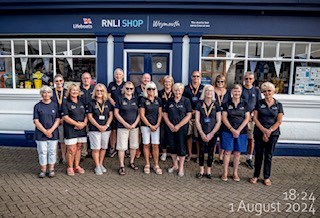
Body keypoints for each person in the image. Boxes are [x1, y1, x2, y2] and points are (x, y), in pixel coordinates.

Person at [250, 82, 284, 186]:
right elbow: (255, 118)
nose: (267, 93)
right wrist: (264, 130)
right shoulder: (258, 103)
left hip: (273, 134)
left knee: (268, 155)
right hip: (259, 132)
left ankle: (266, 177)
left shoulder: (278, 105)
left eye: (269, 90)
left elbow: (279, 121)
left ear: (273, 91)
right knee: (259, 155)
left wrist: (269, 131)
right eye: (264, 91)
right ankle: (255, 175)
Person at [221, 84, 250, 182]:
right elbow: (224, 117)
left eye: (238, 91)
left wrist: (238, 130)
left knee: (237, 153)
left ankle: (235, 173)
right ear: (231, 92)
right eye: (235, 91)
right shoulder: (226, 103)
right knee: (227, 152)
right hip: (227, 131)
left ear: (241, 92)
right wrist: (232, 129)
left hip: (241, 132)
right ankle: (225, 173)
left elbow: (247, 118)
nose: (236, 93)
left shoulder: (245, 104)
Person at [163, 83, 192, 177]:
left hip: (182, 128)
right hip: (170, 128)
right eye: (175, 90)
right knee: (172, 147)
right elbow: (165, 114)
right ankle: (175, 165)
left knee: (181, 147)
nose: (177, 92)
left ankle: (181, 168)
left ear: (182, 91)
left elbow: (189, 115)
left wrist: (178, 125)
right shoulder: (169, 101)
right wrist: (170, 125)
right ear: (172, 90)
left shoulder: (186, 101)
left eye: (179, 90)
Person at [33, 86, 60, 178]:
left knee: (52, 151)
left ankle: (51, 169)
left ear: (51, 94)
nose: (46, 94)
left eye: (48, 92)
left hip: (53, 133)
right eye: (44, 92)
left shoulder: (55, 105)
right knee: (42, 151)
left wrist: (51, 130)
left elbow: (57, 119)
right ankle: (43, 169)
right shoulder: (37, 106)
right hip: (41, 134)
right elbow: (36, 121)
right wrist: (45, 131)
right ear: (41, 94)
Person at [195, 85, 221, 179]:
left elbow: (219, 121)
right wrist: (201, 133)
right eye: (207, 90)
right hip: (202, 132)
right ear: (204, 92)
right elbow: (197, 120)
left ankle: (209, 171)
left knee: (211, 152)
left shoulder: (216, 105)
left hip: (212, 132)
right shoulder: (199, 104)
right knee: (201, 151)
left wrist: (212, 133)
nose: (209, 92)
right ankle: (201, 170)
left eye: (211, 91)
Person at [114, 81, 140, 175]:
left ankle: (131, 162)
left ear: (133, 90)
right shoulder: (119, 98)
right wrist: (125, 123)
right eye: (127, 88)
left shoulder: (136, 99)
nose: (129, 90)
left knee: (133, 146)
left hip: (134, 126)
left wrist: (135, 124)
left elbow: (139, 114)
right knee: (122, 147)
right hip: (122, 126)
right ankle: (121, 166)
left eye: (131, 88)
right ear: (124, 89)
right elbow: (116, 113)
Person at [61, 83, 88, 176]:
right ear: (69, 91)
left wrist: (84, 124)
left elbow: (86, 115)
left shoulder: (81, 101)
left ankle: (77, 166)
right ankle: (70, 167)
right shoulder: (66, 102)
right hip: (70, 129)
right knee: (71, 149)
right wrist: (76, 124)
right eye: (73, 90)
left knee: (79, 147)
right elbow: (65, 117)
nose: (75, 92)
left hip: (81, 128)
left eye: (77, 90)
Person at [88, 84, 113, 175]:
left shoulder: (107, 103)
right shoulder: (91, 103)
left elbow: (111, 115)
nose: (99, 92)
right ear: (95, 91)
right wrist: (98, 126)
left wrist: (106, 125)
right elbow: (90, 117)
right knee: (96, 148)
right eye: (98, 90)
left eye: (101, 91)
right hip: (95, 129)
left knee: (103, 147)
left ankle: (101, 163)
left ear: (104, 92)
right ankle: (97, 165)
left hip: (106, 129)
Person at [140, 82, 163, 174]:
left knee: (155, 145)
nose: (151, 91)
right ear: (146, 90)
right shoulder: (143, 100)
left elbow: (160, 114)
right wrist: (149, 125)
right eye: (149, 89)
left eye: (153, 89)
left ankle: (156, 165)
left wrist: (157, 125)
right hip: (146, 126)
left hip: (156, 126)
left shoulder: (158, 100)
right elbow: (142, 115)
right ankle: (147, 164)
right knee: (146, 144)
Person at [241, 71, 262, 169]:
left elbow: (259, 104)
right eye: (246, 79)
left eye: (250, 79)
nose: (248, 80)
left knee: (251, 139)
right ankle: (236, 158)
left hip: (252, 119)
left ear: (253, 80)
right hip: (240, 117)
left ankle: (249, 158)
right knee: (239, 137)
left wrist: (253, 113)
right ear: (243, 79)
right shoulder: (240, 89)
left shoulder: (256, 90)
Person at [183, 70, 204, 162]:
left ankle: (199, 156)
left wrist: (197, 111)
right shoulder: (186, 88)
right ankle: (190, 154)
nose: (196, 78)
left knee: (198, 136)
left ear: (200, 78)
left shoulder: (204, 88)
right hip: (188, 115)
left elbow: (205, 102)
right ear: (191, 77)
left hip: (199, 116)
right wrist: (190, 110)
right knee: (189, 136)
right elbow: (183, 101)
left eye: (197, 76)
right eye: (194, 76)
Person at [107, 68, 126, 158]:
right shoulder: (111, 85)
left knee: (124, 129)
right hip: (113, 109)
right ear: (114, 76)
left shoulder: (126, 84)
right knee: (113, 130)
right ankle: (112, 147)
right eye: (116, 74)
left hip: (123, 110)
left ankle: (125, 148)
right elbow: (108, 95)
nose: (118, 76)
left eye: (120, 74)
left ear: (123, 75)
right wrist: (113, 103)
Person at [214, 75, 231, 165]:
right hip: (214, 117)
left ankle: (220, 156)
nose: (220, 83)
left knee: (222, 137)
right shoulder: (212, 91)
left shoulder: (227, 92)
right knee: (213, 137)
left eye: (222, 82)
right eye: (218, 81)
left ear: (225, 83)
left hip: (225, 118)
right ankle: (212, 156)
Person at [51, 74, 67, 164]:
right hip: (53, 119)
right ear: (54, 82)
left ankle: (64, 157)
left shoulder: (67, 92)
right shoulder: (51, 92)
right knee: (55, 140)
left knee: (62, 140)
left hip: (64, 119)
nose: (59, 82)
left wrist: (64, 118)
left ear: (63, 81)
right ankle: (56, 157)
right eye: (57, 81)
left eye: (60, 81)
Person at [135, 73, 151, 158]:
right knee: (139, 133)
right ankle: (138, 149)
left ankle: (149, 150)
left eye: (148, 78)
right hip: (138, 112)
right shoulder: (136, 89)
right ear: (141, 79)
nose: (146, 80)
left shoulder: (152, 89)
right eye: (145, 78)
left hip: (148, 113)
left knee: (149, 131)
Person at [158, 75, 174, 161]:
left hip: (172, 117)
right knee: (162, 136)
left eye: (169, 82)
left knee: (173, 136)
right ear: (163, 83)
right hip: (162, 117)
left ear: (172, 83)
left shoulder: (175, 92)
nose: (167, 83)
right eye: (166, 82)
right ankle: (164, 152)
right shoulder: (159, 93)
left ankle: (173, 153)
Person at [80, 72, 95, 160]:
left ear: (91, 79)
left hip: (93, 114)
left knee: (93, 133)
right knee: (83, 134)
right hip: (81, 115)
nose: (86, 80)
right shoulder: (78, 89)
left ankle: (92, 151)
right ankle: (83, 152)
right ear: (82, 79)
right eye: (84, 78)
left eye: (88, 78)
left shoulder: (94, 89)